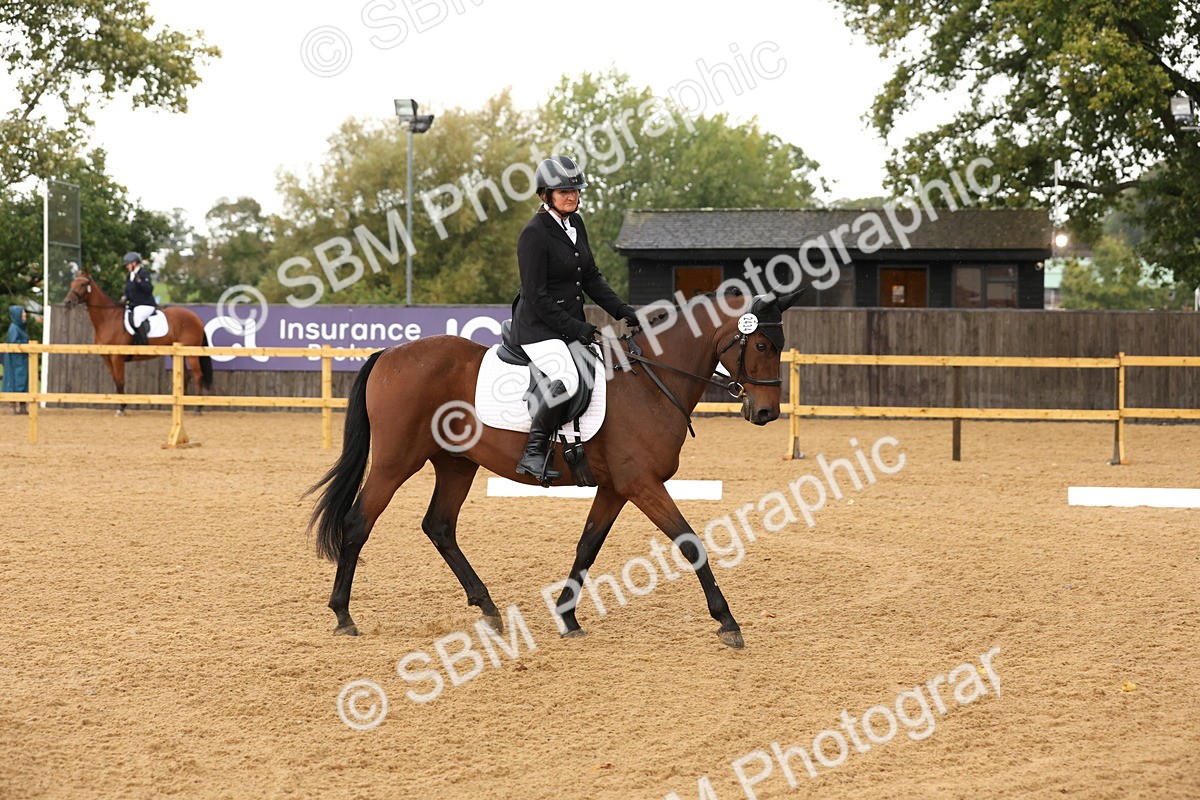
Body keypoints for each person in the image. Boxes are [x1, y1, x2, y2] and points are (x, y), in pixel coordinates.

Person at [511, 155, 640, 482]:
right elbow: (537, 297)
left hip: (566, 325)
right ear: (546, 194)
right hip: (537, 328)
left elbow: (591, 277)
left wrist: (621, 309)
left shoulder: (576, 224)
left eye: (575, 190)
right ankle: (533, 451)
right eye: (564, 191)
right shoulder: (534, 234)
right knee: (567, 378)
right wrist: (576, 328)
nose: (572, 196)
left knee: (601, 371)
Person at [120, 252, 156, 345]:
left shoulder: (144, 273)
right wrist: (124, 297)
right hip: (134, 306)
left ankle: (143, 343)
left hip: (145, 305)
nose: (126, 266)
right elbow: (127, 291)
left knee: (137, 319)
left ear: (134, 263)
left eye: (128, 264)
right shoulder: (129, 276)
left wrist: (140, 282)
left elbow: (149, 289)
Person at [3, 305, 29, 414]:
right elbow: (14, 343)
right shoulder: (14, 328)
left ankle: (23, 406)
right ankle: (12, 406)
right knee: (14, 380)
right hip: (15, 360)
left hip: (22, 360)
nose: (25, 314)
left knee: (23, 381)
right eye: (22, 312)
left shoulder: (21, 327)